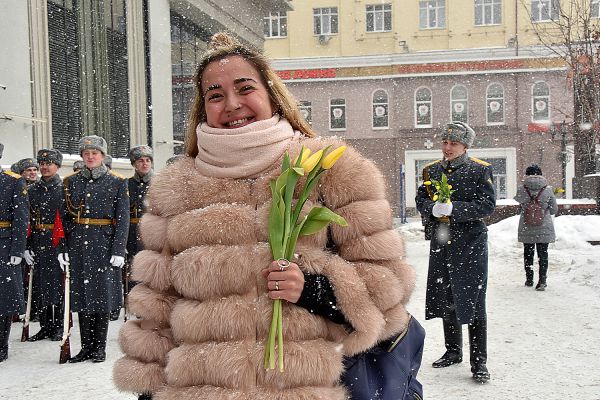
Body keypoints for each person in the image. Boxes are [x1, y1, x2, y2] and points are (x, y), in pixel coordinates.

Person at [113, 32, 415, 399]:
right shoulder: (176, 187)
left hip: (305, 389)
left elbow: (387, 291)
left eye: (245, 88)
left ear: (271, 94)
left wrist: (314, 289)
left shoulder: (329, 168)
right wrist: (148, 392)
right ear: (202, 107)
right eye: (215, 95)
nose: (232, 104)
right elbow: (156, 312)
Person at [416, 121, 496, 383]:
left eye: (454, 143)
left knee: (474, 302)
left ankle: (479, 362)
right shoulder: (432, 171)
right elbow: (421, 198)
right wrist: (431, 208)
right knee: (446, 296)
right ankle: (453, 350)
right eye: (445, 142)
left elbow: (487, 206)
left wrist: (455, 209)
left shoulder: (479, 170)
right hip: (442, 242)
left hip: (470, 244)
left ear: (465, 146)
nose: (447, 147)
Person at [58, 135, 129, 363]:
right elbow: (64, 219)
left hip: (104, 245)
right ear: (82, 156)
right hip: (78, 245)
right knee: (81, 297)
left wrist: (118, 249)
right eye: (86, 153)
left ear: (102, 156)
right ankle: (85, 348)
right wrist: (63, 247)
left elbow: (123, 218)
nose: (90, 156)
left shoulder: (117, 182)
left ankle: (99, 347)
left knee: (102, 297)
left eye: (94, 153)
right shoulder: (70, 182)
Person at [24, 149, 65, 342]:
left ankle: (59, 325)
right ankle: (45, 325)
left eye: (49, 163)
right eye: (42, 163)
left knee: (58, 285)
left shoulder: (64, 187)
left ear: (57, 166)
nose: (45, 167)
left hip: (55, 241)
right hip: (39, 240)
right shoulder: (32, 190)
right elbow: (27, 219)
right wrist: (28, 245)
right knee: (41, 285)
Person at [110, 145, 154, 322]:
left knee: (150, 274)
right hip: (130, 234)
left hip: (151, 233)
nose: (144, 164)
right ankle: (135, 306)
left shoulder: (158, 183)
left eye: (147, 160)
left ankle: (150, 307)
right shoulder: (126, 184)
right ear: (134, 164)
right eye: (140, 161)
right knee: (133, 274)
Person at [0, 142, 29, 362]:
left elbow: (21, 218)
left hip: (4, 243)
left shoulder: (12, 183)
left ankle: (1, 344)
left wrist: (18, 248)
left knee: (4, 299)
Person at [514, 164, 558, 290]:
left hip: (526, 226)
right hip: (544, 227)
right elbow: (554, 209)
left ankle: (529, 279)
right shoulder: (548, 190)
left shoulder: (521, 189)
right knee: (543, 255)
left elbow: (519, 203)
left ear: (527, 175)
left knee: (528, 253)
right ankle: (542, 281)